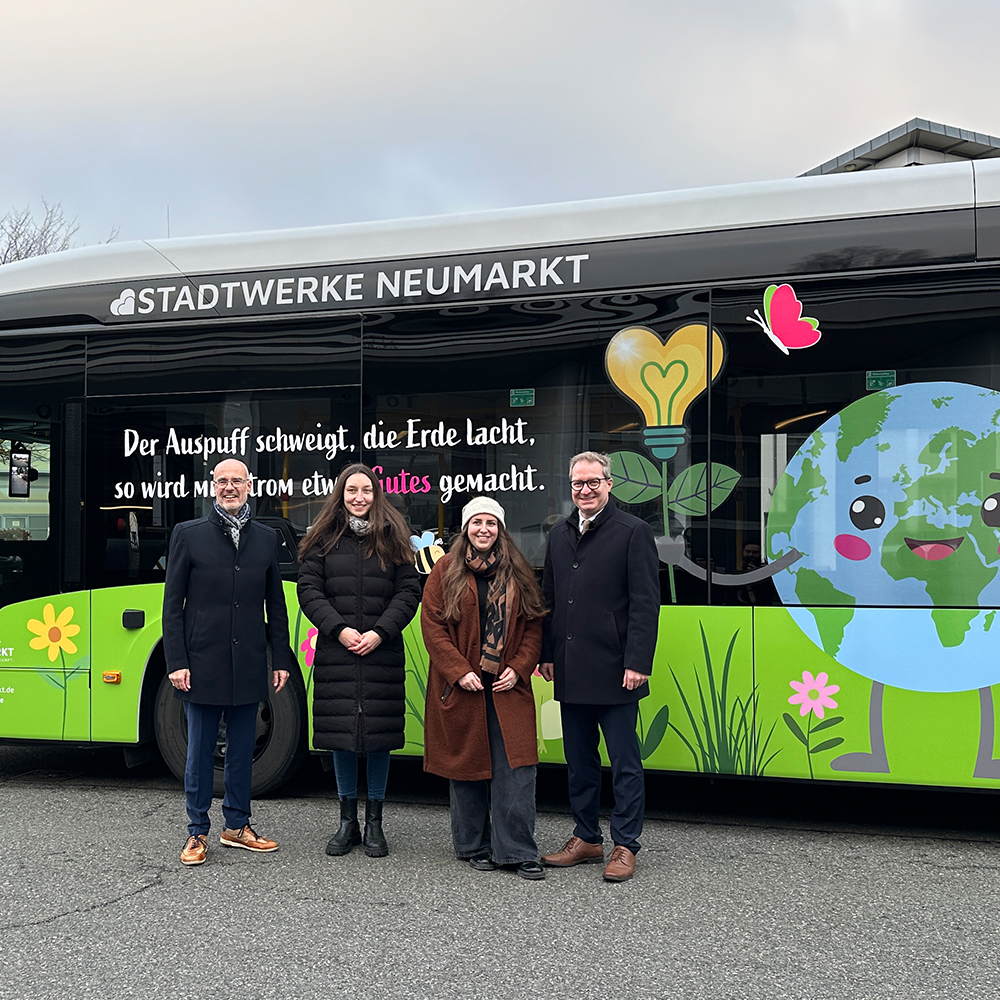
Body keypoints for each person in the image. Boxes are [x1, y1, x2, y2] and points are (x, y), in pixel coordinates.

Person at [163, 458, 290, 867]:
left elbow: (276, 604)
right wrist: (176, 661)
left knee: (240, 751)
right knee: (200, 752)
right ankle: (196, 831)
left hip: (249, 659)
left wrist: (281, 657)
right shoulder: (188, 534)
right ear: (212, 486)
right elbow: (172, 606)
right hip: (202, 661)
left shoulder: (266, 538)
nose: (229, 487)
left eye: (237, 481)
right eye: (222, 481)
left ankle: (237, 825)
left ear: (250, 486)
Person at [539, 451, 659, 882]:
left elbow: (646, 602)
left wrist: (638, 661)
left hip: (617, 669)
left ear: (609, 484)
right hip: (570, 667)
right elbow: (549, 598)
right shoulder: (559, 532)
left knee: (625, 762)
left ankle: (626, 844)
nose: (585, 490)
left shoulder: (633, 531)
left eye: (593, 482)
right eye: (578, 484)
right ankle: (586, 837)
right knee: (579, 761)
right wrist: (546, 653)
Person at [297, 463, 420, 858]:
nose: (359, 497)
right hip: (339, 651)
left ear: (376, 494)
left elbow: (408, 592)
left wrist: (381, 632)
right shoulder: (323, 538)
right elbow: (309, 590)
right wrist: (339, 629)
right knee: (343, 738)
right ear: (341, 494)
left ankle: (375, 824)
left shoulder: (394, 537)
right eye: (352, 490)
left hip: (382, 651)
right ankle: (347, 821)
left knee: (379, 738)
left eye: (366, 490)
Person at [421, 497, 548, 881]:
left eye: (491, 523)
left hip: (508, 685)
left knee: (517, 769)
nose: (484, 529)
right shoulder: (445, 569)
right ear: (466, 527)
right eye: (477, 522)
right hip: (463, 686)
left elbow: (533, 625)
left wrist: (520, 667)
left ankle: (517, 850)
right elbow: (433, 627)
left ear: (500, 529)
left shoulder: (518, 568)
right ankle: (473, 845)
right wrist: (458, 671)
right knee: (468, 766)